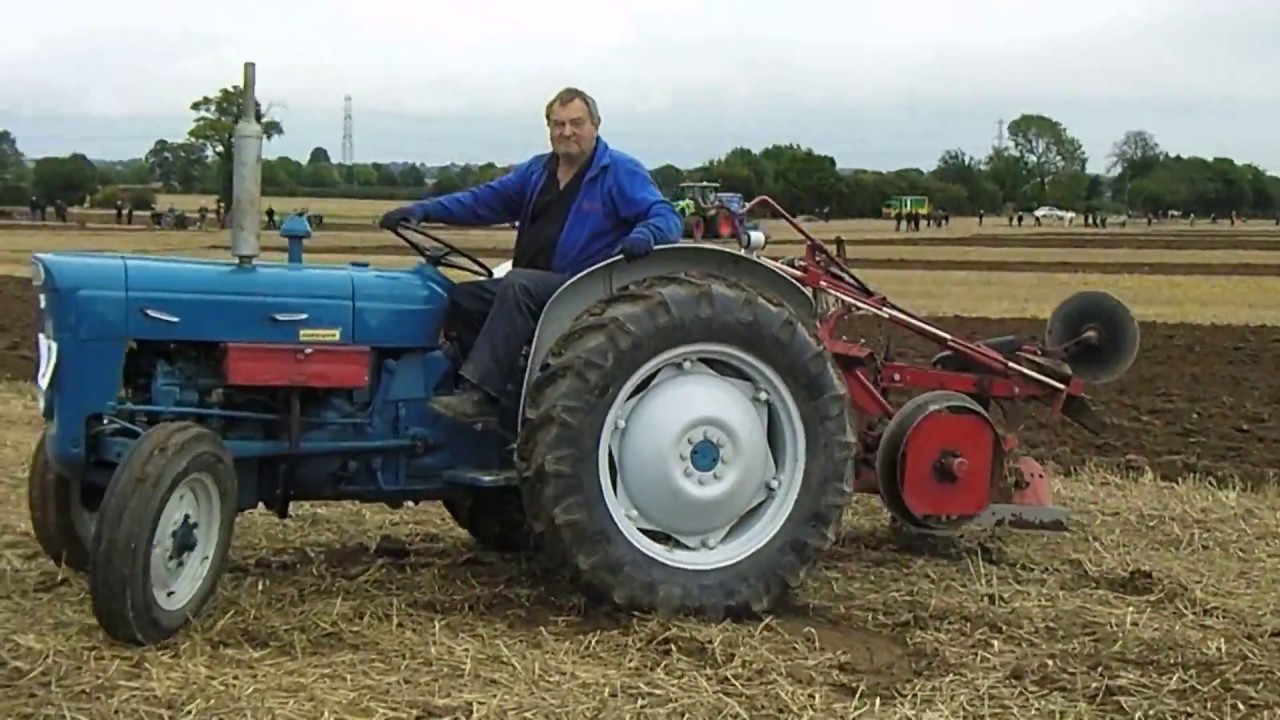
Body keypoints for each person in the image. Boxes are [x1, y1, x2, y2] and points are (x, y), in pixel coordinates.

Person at [377, 87, 683, 425]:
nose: (567, 132)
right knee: (465, 298)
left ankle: (481, 393)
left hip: (585, 291)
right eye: (558, 124)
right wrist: (423, 210)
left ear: (595, 126)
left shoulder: (618, 171)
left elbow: (666, 215)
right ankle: (505, 395)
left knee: (517, 285)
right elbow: (483, 200)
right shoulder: (538, 172)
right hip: (540, 287)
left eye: (576, 123)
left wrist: (646, 233)